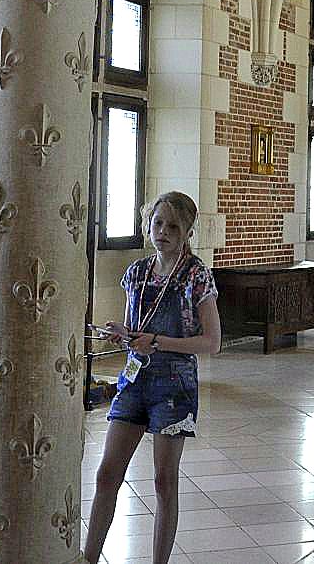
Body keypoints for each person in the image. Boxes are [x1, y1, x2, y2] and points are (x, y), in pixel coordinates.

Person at [83, 191, 221, 564]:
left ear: (187, 231)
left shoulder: (196, 275)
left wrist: (158, 342)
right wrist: (123, 334)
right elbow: (136, 329)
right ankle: (88, 558)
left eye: (173, 226)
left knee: (164, 481)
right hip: (135, 381)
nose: (163, 232)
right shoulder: (137, 273)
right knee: (107, 475)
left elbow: (212, 342)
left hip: (174, 385)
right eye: (157, 223)